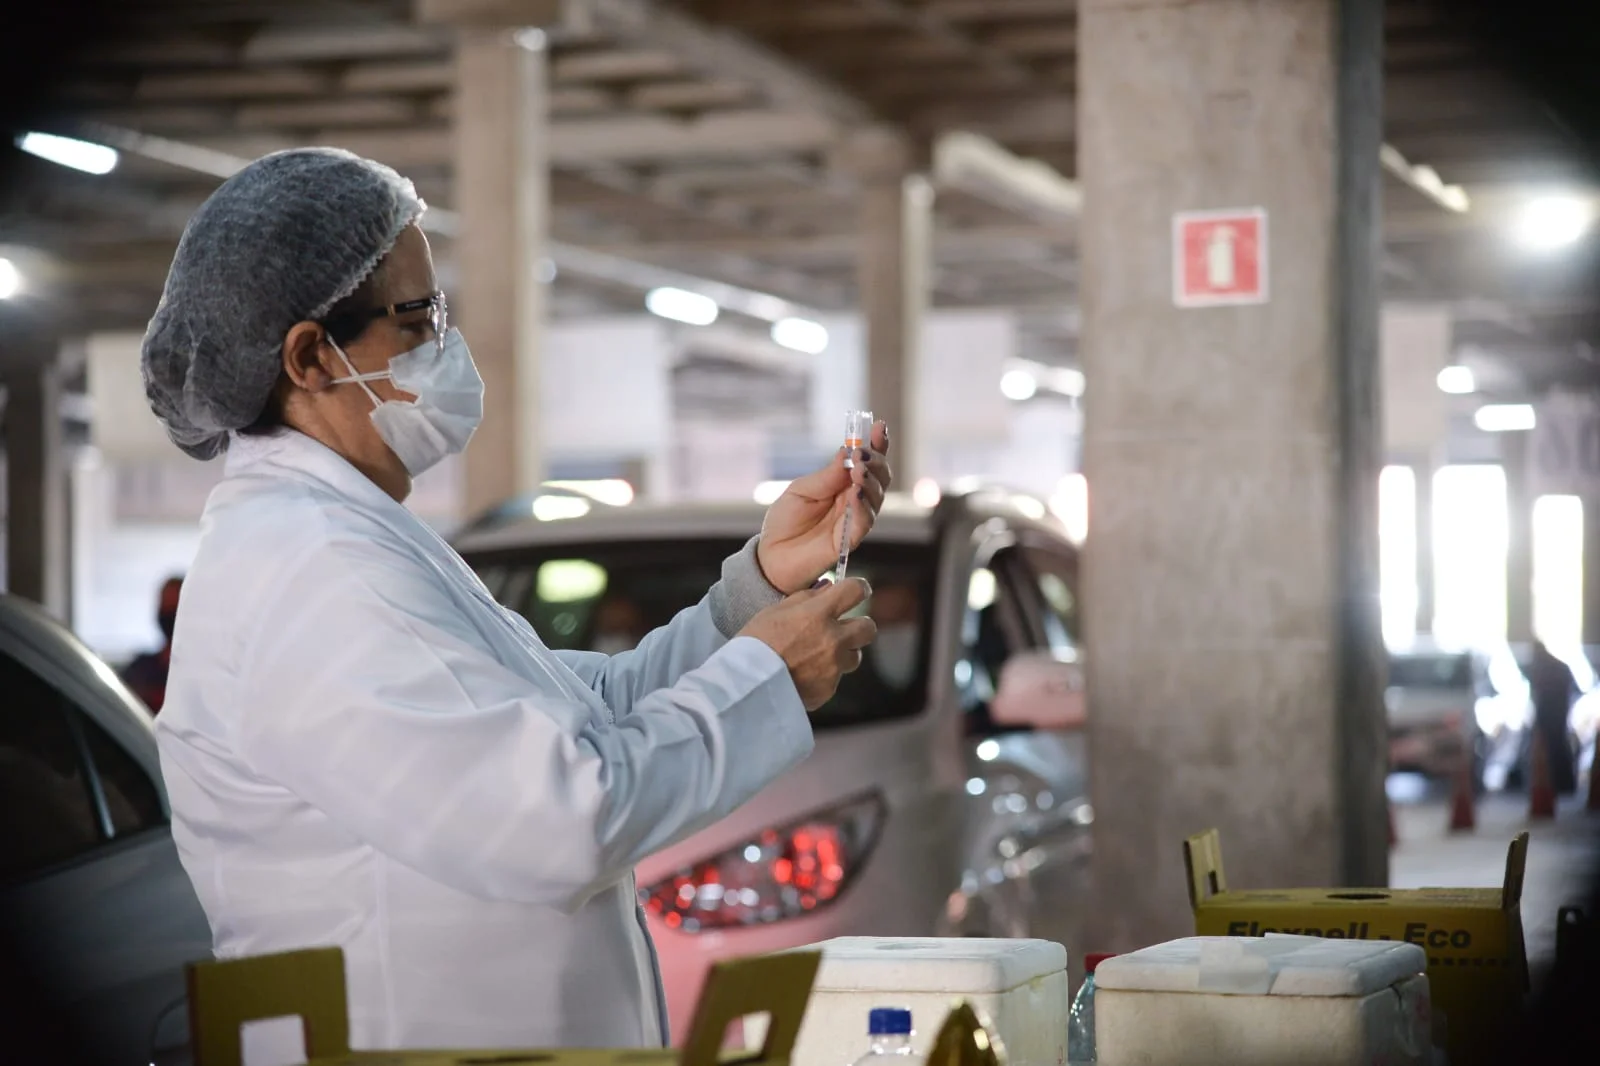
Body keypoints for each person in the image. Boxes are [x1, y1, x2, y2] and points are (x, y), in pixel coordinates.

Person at [140, 148, 892, 1053]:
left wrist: (755, 591)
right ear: (309, 356)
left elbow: (586, 715)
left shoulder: (352, 531)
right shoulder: (309, 566)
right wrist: (769, 671)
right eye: (417, 317)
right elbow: (562, 818)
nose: (444, 345)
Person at [1524, 641, 1581, 795]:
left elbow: (1538, 693)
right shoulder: (1556, 666)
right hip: (1558, 714)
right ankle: (1563, 783)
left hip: (1550, 715)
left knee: (1552, 749)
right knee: (1558, 747)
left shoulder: (1545, 667)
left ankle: (1558, 783)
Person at [120, 575, 182, 714]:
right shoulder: (140, 669)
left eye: (173, 607)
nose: (167, 613)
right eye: (164, 606)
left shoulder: (202, 674)